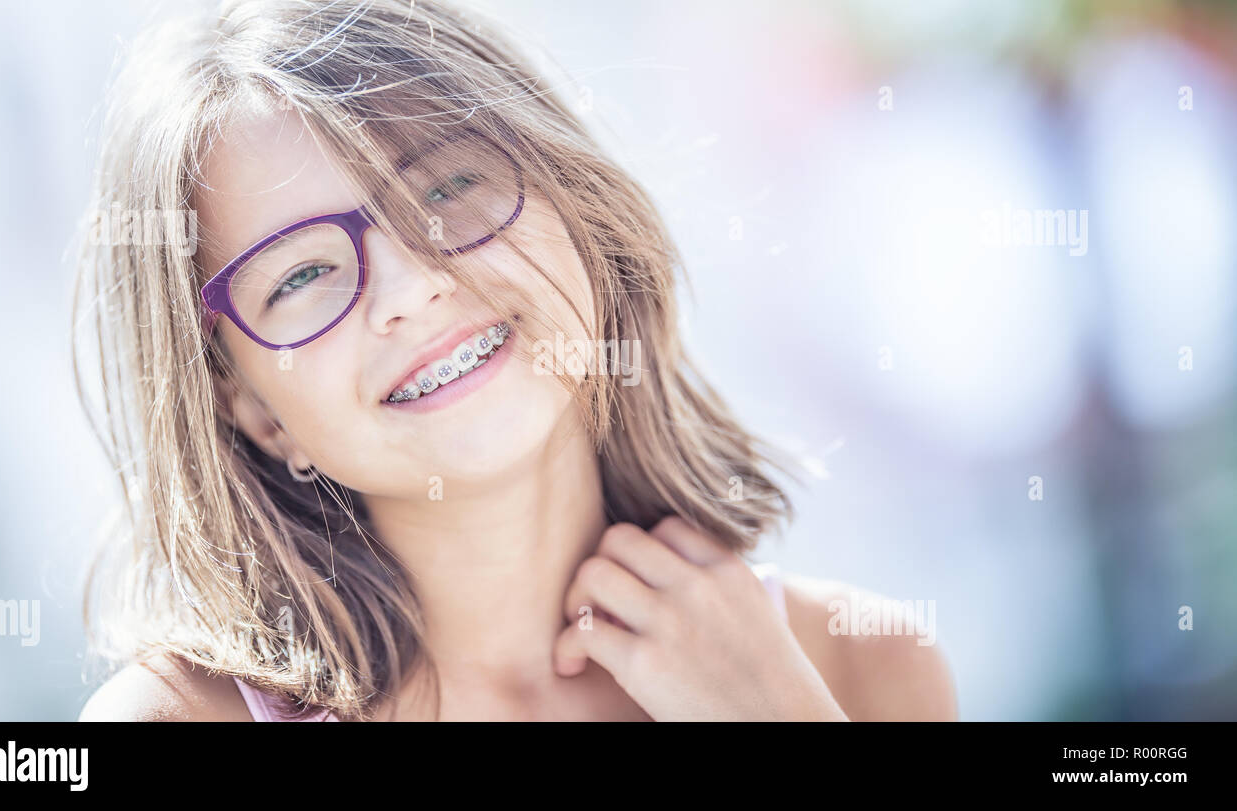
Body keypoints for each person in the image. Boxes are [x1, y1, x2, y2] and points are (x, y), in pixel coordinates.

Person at [75, 0, 956, 721]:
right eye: (302, 274)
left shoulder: (863, 666)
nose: (412, 287)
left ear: (582, 214)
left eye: (450, 187)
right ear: (253, 407)